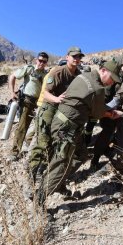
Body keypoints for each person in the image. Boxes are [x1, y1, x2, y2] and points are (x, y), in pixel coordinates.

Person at [37, 60, 122, 205]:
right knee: (61, 163)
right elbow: (97, 113)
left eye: (115, 81)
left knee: (81, 155)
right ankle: (39, 200)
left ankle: (59, 183)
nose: (112, 83)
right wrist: (112, 113)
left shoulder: (83, 76)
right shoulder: (98, 88)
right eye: (112, 78)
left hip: (65, 124)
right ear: (103, 70)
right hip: (67, 128)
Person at [28, 47, 83, 183]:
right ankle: (32, 173)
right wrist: (57, 99)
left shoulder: (78, 75)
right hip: (49, 108)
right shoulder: (58, 71)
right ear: (67, 57)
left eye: (79, 57)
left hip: (62, 113)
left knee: (55, 143)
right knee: (43, 142)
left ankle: (46, 171)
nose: (77, 59)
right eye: (74, 56)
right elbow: (45, 92)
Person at [88, 51, 123, 170]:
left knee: (113, 133)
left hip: (117, 111)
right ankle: (95, 158)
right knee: (105, 131)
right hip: (105, 108)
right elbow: (104, 92)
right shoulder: (114, 72)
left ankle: (106, 150)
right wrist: (104, 109)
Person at [9, 52, 49, 157]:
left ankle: (28, 140)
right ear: (37, 60)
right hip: (27, 101)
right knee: (22, 126)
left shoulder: (46, 74)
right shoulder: (29, 69)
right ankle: (14, 151)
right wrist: (12, 92)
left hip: (40, 103)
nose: (42, 63)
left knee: (39, 125)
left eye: (44, 61)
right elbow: (12, 76)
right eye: (40, 60)